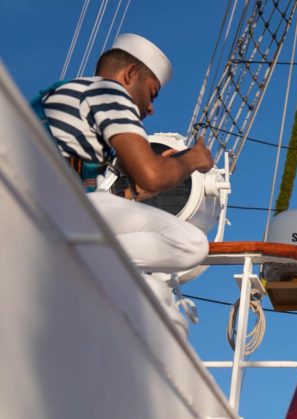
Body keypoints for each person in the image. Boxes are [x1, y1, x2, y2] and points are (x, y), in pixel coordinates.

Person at [38, 33, 214, 273]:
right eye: (151, 93)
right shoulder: (108, 92)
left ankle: (82, 255)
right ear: (130, 75)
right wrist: (194, 158)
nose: (151, 108)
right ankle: (79, 256)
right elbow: (152, 175)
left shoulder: (70, 93)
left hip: (52, 203)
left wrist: (134, 192)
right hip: (62, 209)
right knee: (192, 243)